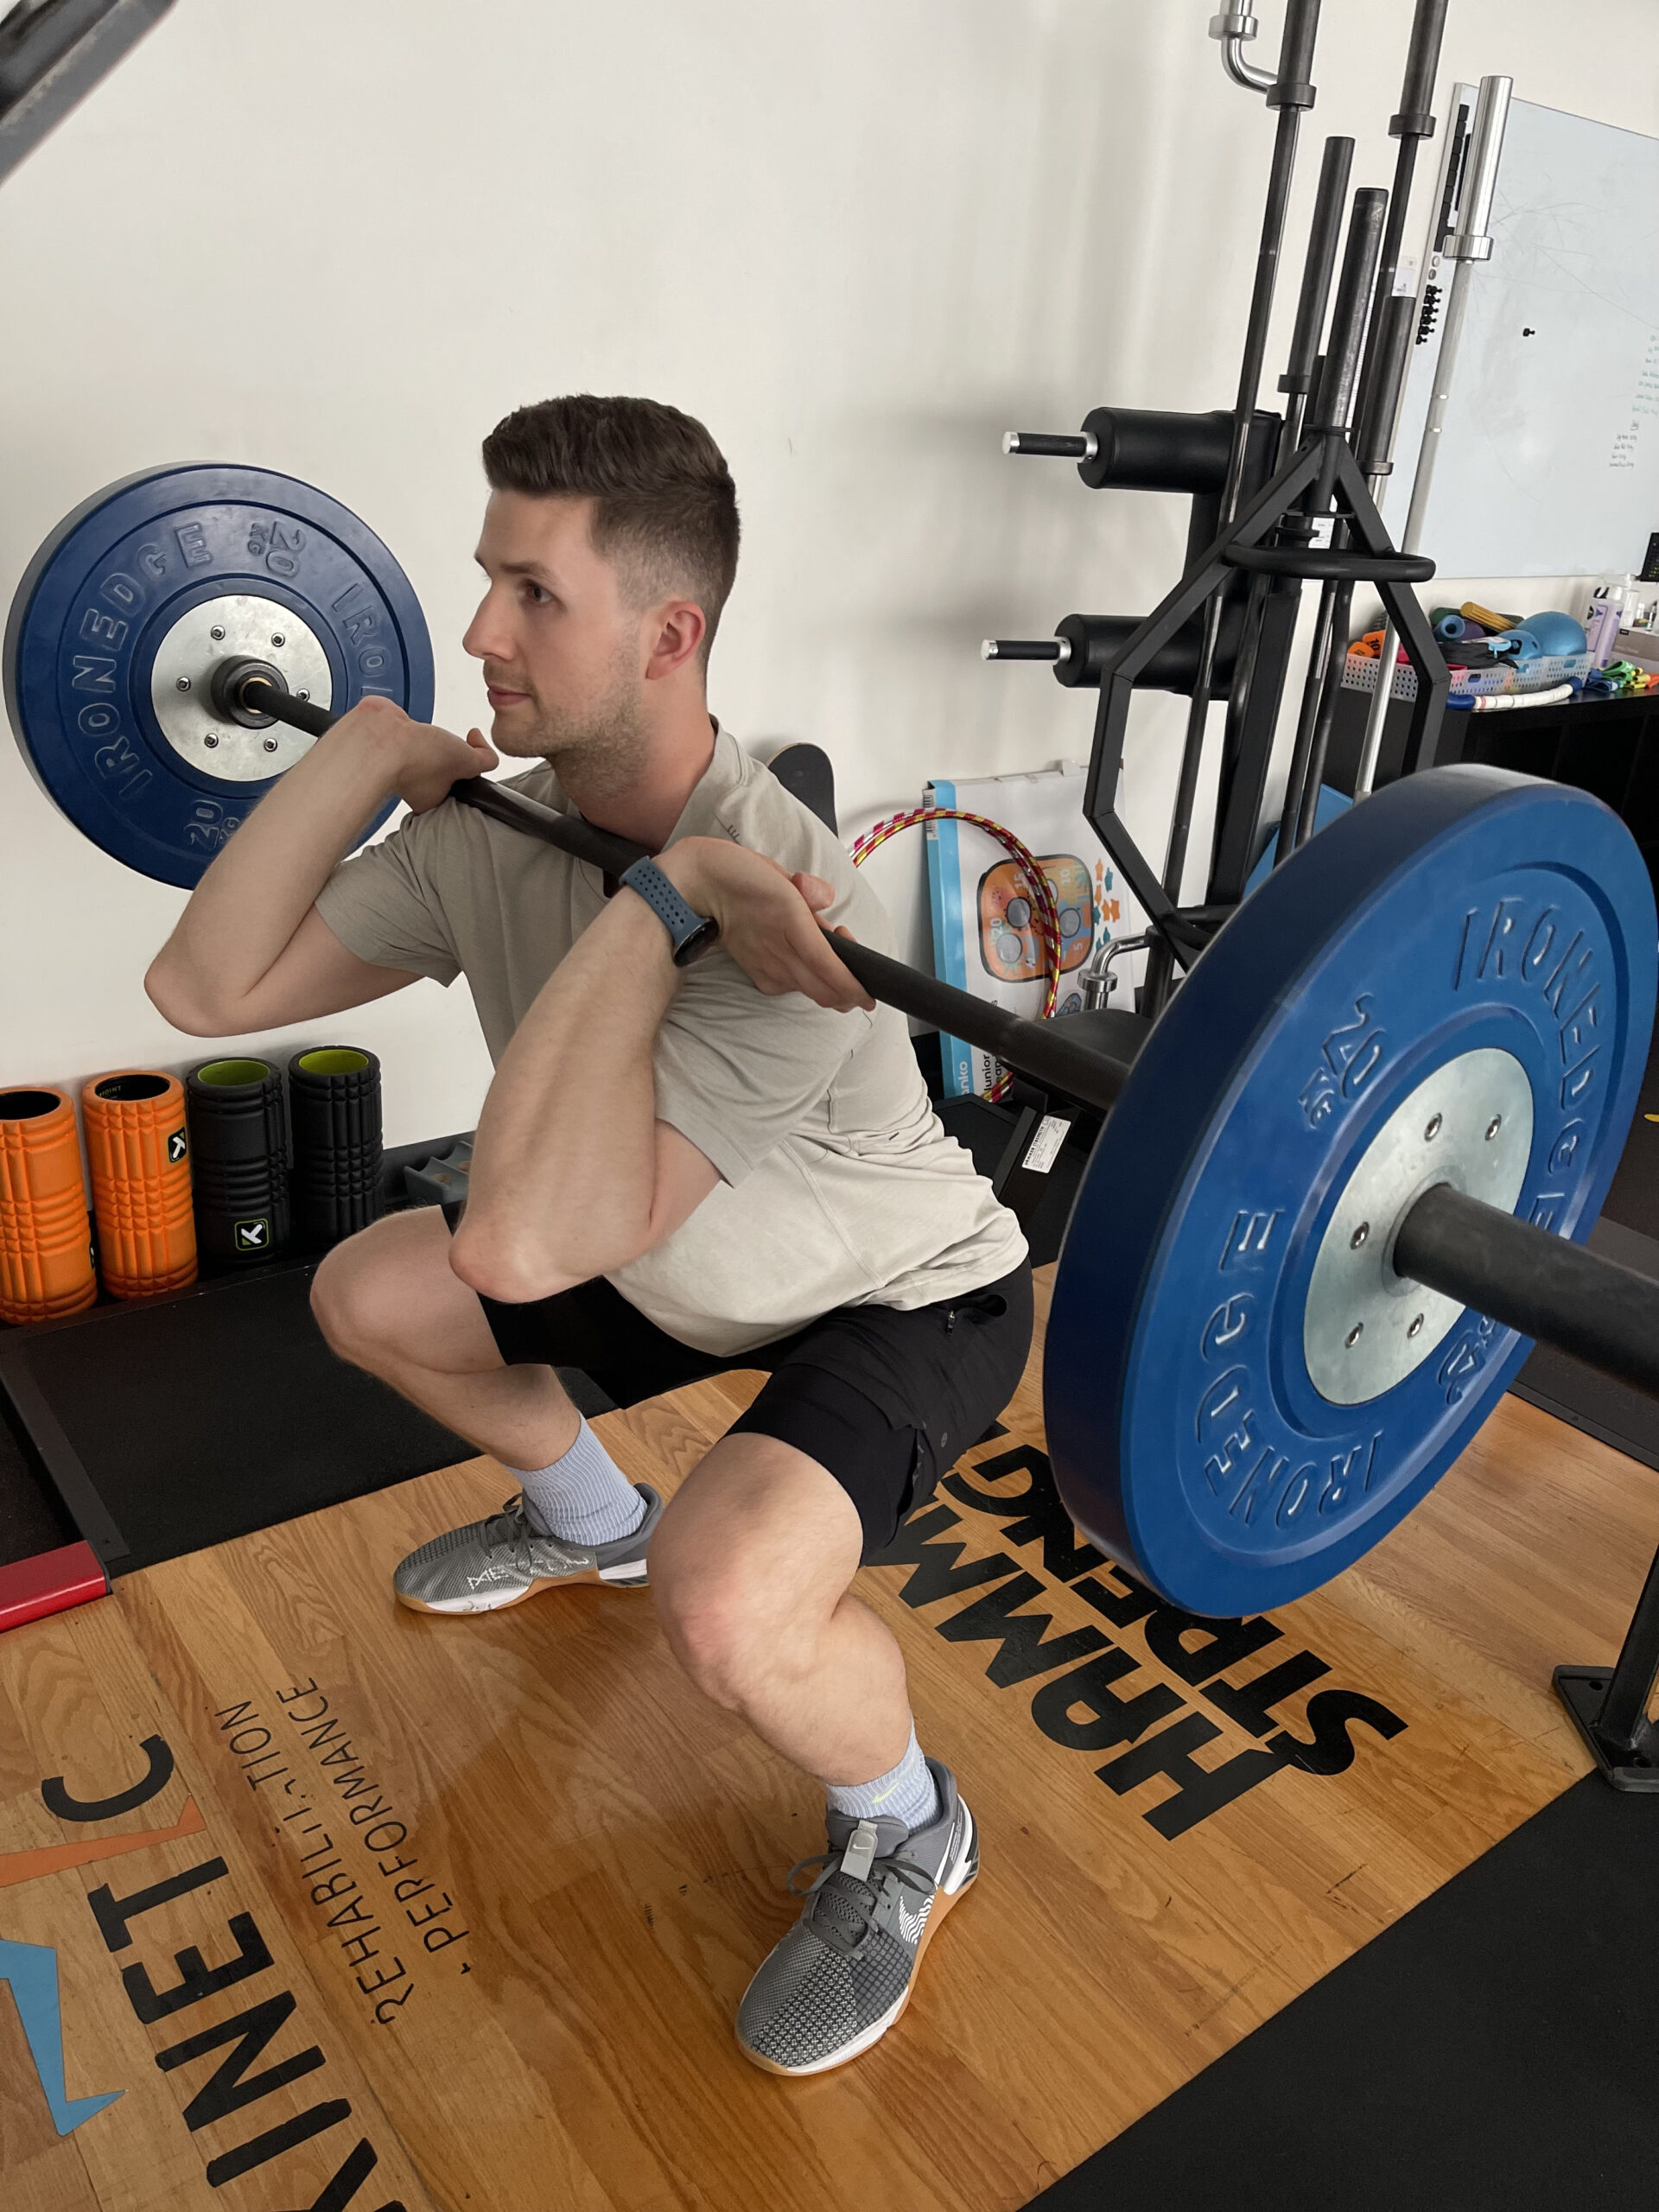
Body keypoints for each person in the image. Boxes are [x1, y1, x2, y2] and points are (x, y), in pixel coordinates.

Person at [144, 394, 1032, 2075]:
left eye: (532, 593)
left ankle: (909, 1819)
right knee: (366, 1292)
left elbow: (525, 1247)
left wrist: (672, 897)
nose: (481, 629)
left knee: (729, 1604)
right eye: (488, 579)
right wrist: (362, 757)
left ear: (667, 633)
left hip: (894, 1291)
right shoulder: (495, 827)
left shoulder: (791, 903)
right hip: (663, 1254)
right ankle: (589, 1519)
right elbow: (206, 987)